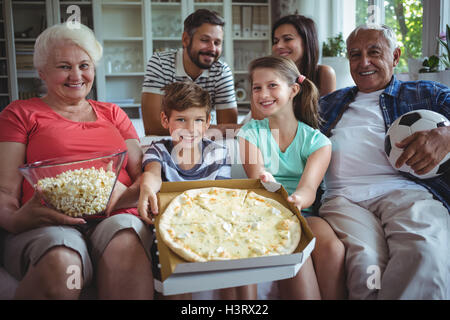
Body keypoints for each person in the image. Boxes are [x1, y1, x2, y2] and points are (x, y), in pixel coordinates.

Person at [0, 23, 154, 299]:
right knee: (62, 261)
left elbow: (142, 171)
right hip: (46, 224)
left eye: (85, 65)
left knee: (126, 241)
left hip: (114, 216)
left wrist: (128, 195)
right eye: (63, 66)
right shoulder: (20, 114)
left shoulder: (113, 113)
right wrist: (18, 219)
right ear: (42, 72)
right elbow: (4, 192)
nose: (76, 75)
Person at [319, 24, 450, 299]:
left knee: (424, 249)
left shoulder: (425, 92)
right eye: (355, 55)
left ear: (396, 56)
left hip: (408, 193)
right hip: (344, 198)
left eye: (374, 52)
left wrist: (447, 134)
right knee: (366, 266)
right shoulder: (329, 103)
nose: (363, 62)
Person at [237, 56, 346, 299]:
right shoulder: (249, 134)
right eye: (257, 87)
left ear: (293, 89)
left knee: (333, 248)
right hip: (266, 212)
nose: (263, 93)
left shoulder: (318, 142)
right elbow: (258, 178)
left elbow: (309, 189)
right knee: (295, 247)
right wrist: (266, 179)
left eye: (272, 85)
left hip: (302, 210)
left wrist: (297, 199)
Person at [138, 81, 256, 300]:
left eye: (198, 120)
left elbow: (219, 196)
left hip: (212, 225)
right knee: (176, 274)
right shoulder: (159, 150)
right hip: (172, 229)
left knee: (239, 258)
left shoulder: (217, 153)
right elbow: (152, 174)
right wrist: (147, 185)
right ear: (166, 120)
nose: (190, 129)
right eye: (181, 119)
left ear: (207, 122)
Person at [141, 9, 238, 137]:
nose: (212, 48)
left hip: (203, 147)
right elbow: (153, 127)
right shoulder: (160, 63)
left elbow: (228, 130)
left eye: (217, 42)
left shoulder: (221, 71)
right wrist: (209, 129)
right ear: (186, 39)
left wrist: (182, 128)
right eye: (205, 40)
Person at [249, 14, 336, 121]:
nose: (279, 46)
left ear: (306, 42)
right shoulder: (263, 75)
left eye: (287, 39)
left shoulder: (324, 73)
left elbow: (328, 120)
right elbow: (259, 123)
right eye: (275, 41)